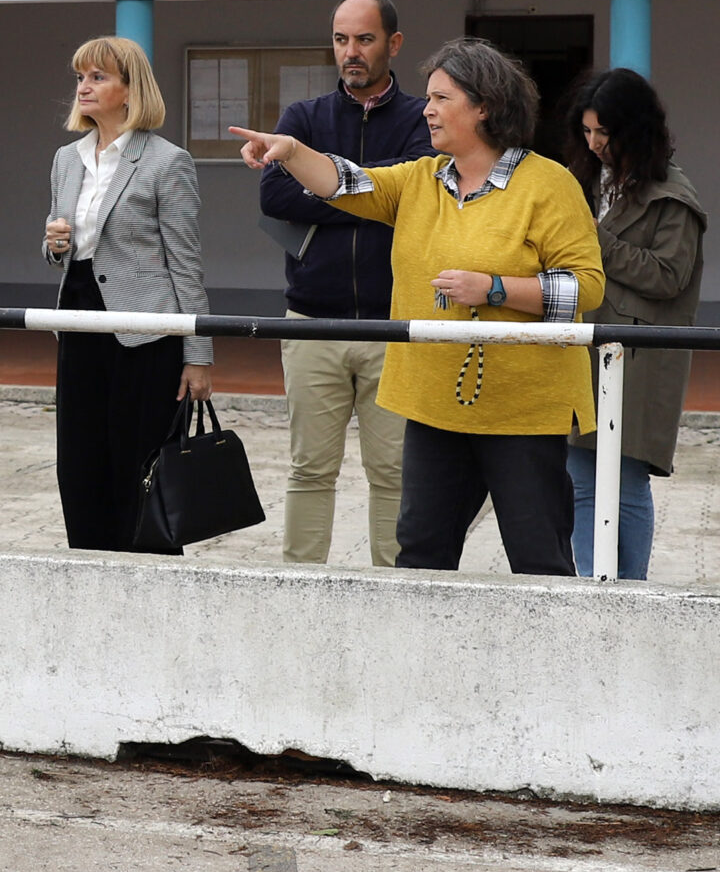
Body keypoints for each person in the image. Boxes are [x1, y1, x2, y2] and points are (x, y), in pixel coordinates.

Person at [230, 38, 603, 575]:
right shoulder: (418, 178)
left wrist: (495, 288)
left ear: (485, 106)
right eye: (428, 98)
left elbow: (585, 288)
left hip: (524, 409)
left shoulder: (549, 184)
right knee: (421, 556)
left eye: (442, 98)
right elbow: (343, 182)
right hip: (431, 406)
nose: (426, 109)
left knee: (538, 558)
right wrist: (289, 151)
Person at [258, 0, 433, 566]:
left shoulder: (420, 120)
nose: (350, 52)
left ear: (393, 43)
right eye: (340, 39)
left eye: (364, 39)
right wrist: (373, 193)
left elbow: (417, 192)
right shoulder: (302, 118)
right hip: (312, 319)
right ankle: (300, 586)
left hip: (394, 324)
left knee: (394, 472)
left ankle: (395, 592)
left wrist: (322, 182)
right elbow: (275, 193)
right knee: (310, 468)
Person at [39, 35, 214, 551]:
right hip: (78, 314)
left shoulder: (166, 161)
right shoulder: (66, 159)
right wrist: (52, 243)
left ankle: (146, 569)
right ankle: (88, 562)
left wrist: (198, 353)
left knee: (138, 460)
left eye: (98, 77)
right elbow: (61, 247)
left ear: (130, 89)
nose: (84, 87)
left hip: (146, 330)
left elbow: (186, 260)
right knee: (78, 458)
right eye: (80, 77)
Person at [564, 69, 707, 580]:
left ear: (637, 130)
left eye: (606, 133)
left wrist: (593, 241)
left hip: (638, 359)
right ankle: (589, 581)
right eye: (587, 132)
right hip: (583, 348)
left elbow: (669, 275)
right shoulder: (582, 180)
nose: (596, 144)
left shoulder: (673, 195)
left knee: (624, 482)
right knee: (579, 476)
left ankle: (630, 589)